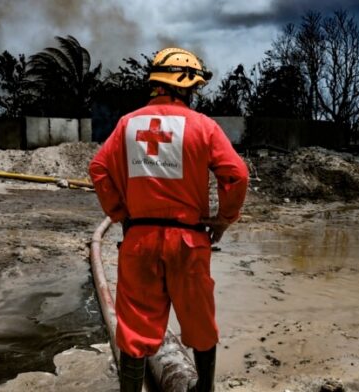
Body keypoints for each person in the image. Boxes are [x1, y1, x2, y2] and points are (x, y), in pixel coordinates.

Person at [89, 47, 248, 392]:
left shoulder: (127, 125)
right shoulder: (202, 126)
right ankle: (203, 389)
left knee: (133, 331)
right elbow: (236, 175)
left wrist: (120, 214)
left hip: (139, 241)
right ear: (186, 85)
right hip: (189, 242)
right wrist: (223, 219)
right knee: (200, 325)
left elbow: (98, 168)